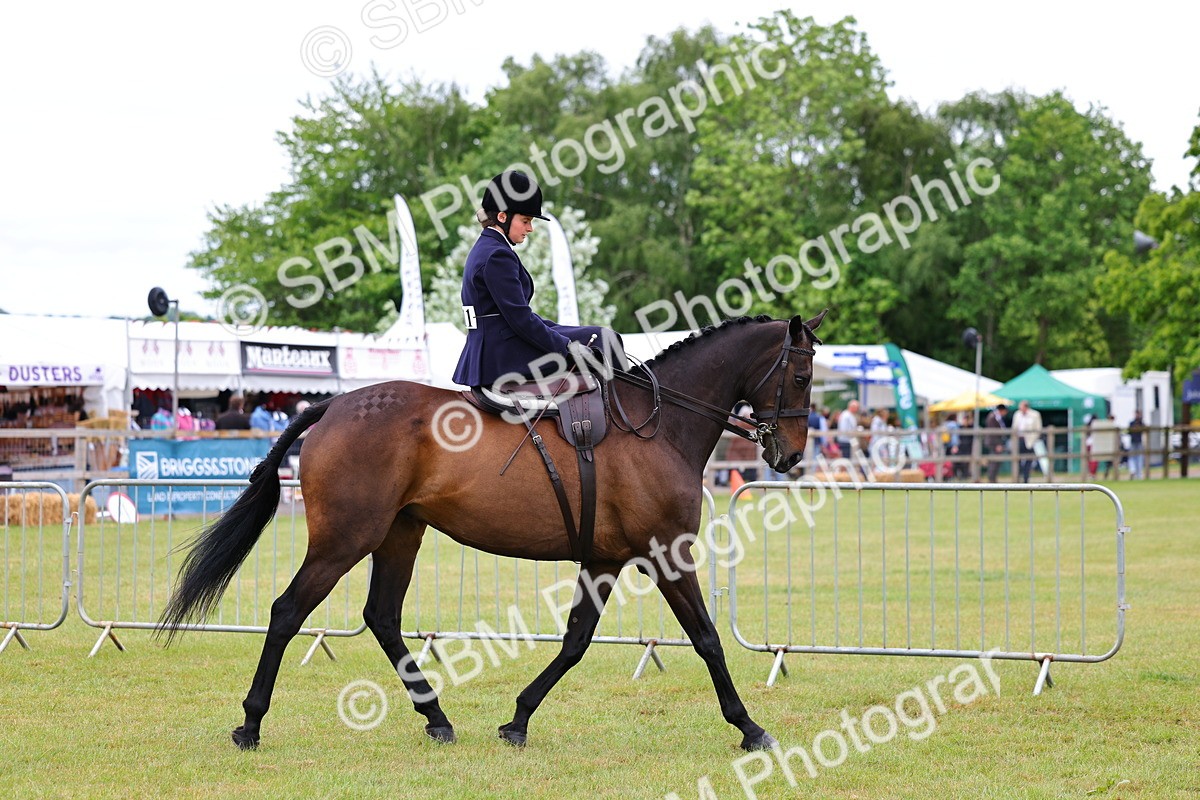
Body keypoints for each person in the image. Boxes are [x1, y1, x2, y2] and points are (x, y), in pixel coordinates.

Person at [452, 170, 623, 390]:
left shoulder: (488, 247)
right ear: (503, 216)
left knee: (598, 336)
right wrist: (568, 347)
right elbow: (521, 320)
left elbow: (517, 316)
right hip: (502, 355)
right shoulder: (497, 255)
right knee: (606, 341)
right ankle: (621, 418)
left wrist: (562, 333)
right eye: (525, 221)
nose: (530, 228)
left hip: (497, 345)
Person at [1012, 399, 1044, 482]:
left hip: (1030, 441)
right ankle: (1017, 478)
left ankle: (1026, 478)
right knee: (1017, 460)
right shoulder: (1017, 414)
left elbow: (1038, 429)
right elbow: (1014, 427)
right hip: (1019, 440)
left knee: (1029, 460)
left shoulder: (1035, 415)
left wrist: (1033, 439)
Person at [1091, 413, 1120, 480]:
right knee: (1098, 461)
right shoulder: (1104, 425)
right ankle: (1095, 475)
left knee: (1109, 462)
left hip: (1109, 446)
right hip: (1103, 446)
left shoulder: (1111, 426)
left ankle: (1108, 473)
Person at [985, 403, 1009, 483]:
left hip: (996, 442)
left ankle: (993, 478)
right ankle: (992, 479)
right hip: (994, 443)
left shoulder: (996, 417)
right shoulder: (993, 417)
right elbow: (993, 432)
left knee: (996, 461)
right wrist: (997, 444)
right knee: (994, 461)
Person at [1126, 410, 1146, 479]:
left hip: (1139, 442)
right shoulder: (1132, 423)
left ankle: (1139, 473)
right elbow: (1129, 432)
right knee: (1132, 457)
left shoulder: (1141, 422)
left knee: (1139, 458)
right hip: (1133, 442)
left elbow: (1144, 429)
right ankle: (1133, 470)